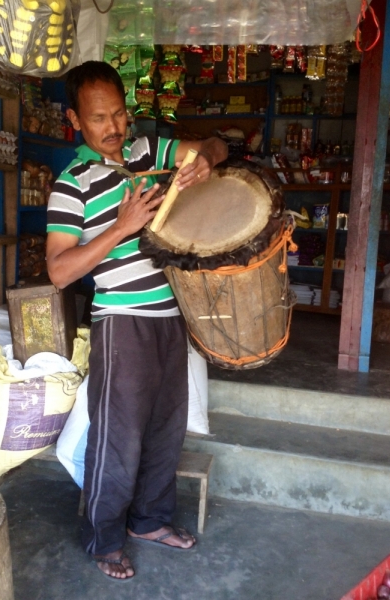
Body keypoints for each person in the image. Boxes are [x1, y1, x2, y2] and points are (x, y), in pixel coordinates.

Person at [46, 60, 228, 581]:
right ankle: (104, 537)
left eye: (121, 114)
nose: (115, 128)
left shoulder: (148, 152)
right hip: (120, 321)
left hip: (172, 315)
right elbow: (59, 271)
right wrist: (122, 228)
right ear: (75, 119)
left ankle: (149, 521)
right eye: (100, 118)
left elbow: (215, 145)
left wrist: (203, 163)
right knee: (118, 436)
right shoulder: (71, 184)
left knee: (165, 430)